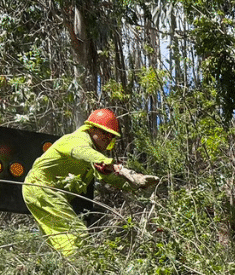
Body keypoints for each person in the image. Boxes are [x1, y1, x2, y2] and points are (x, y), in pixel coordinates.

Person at [23, 108, 158, 255]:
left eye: (111, 136)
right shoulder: (76, 140)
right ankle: (79, 269)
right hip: (40, 186)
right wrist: (111, 164)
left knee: (60, 239)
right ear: (91, 128)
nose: (107, 138)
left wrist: (136, 184)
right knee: (76, 235)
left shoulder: (94, 156)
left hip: (43, 191)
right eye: (104, 133)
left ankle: (60, 270)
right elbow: (81, 151)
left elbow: (107, 176)